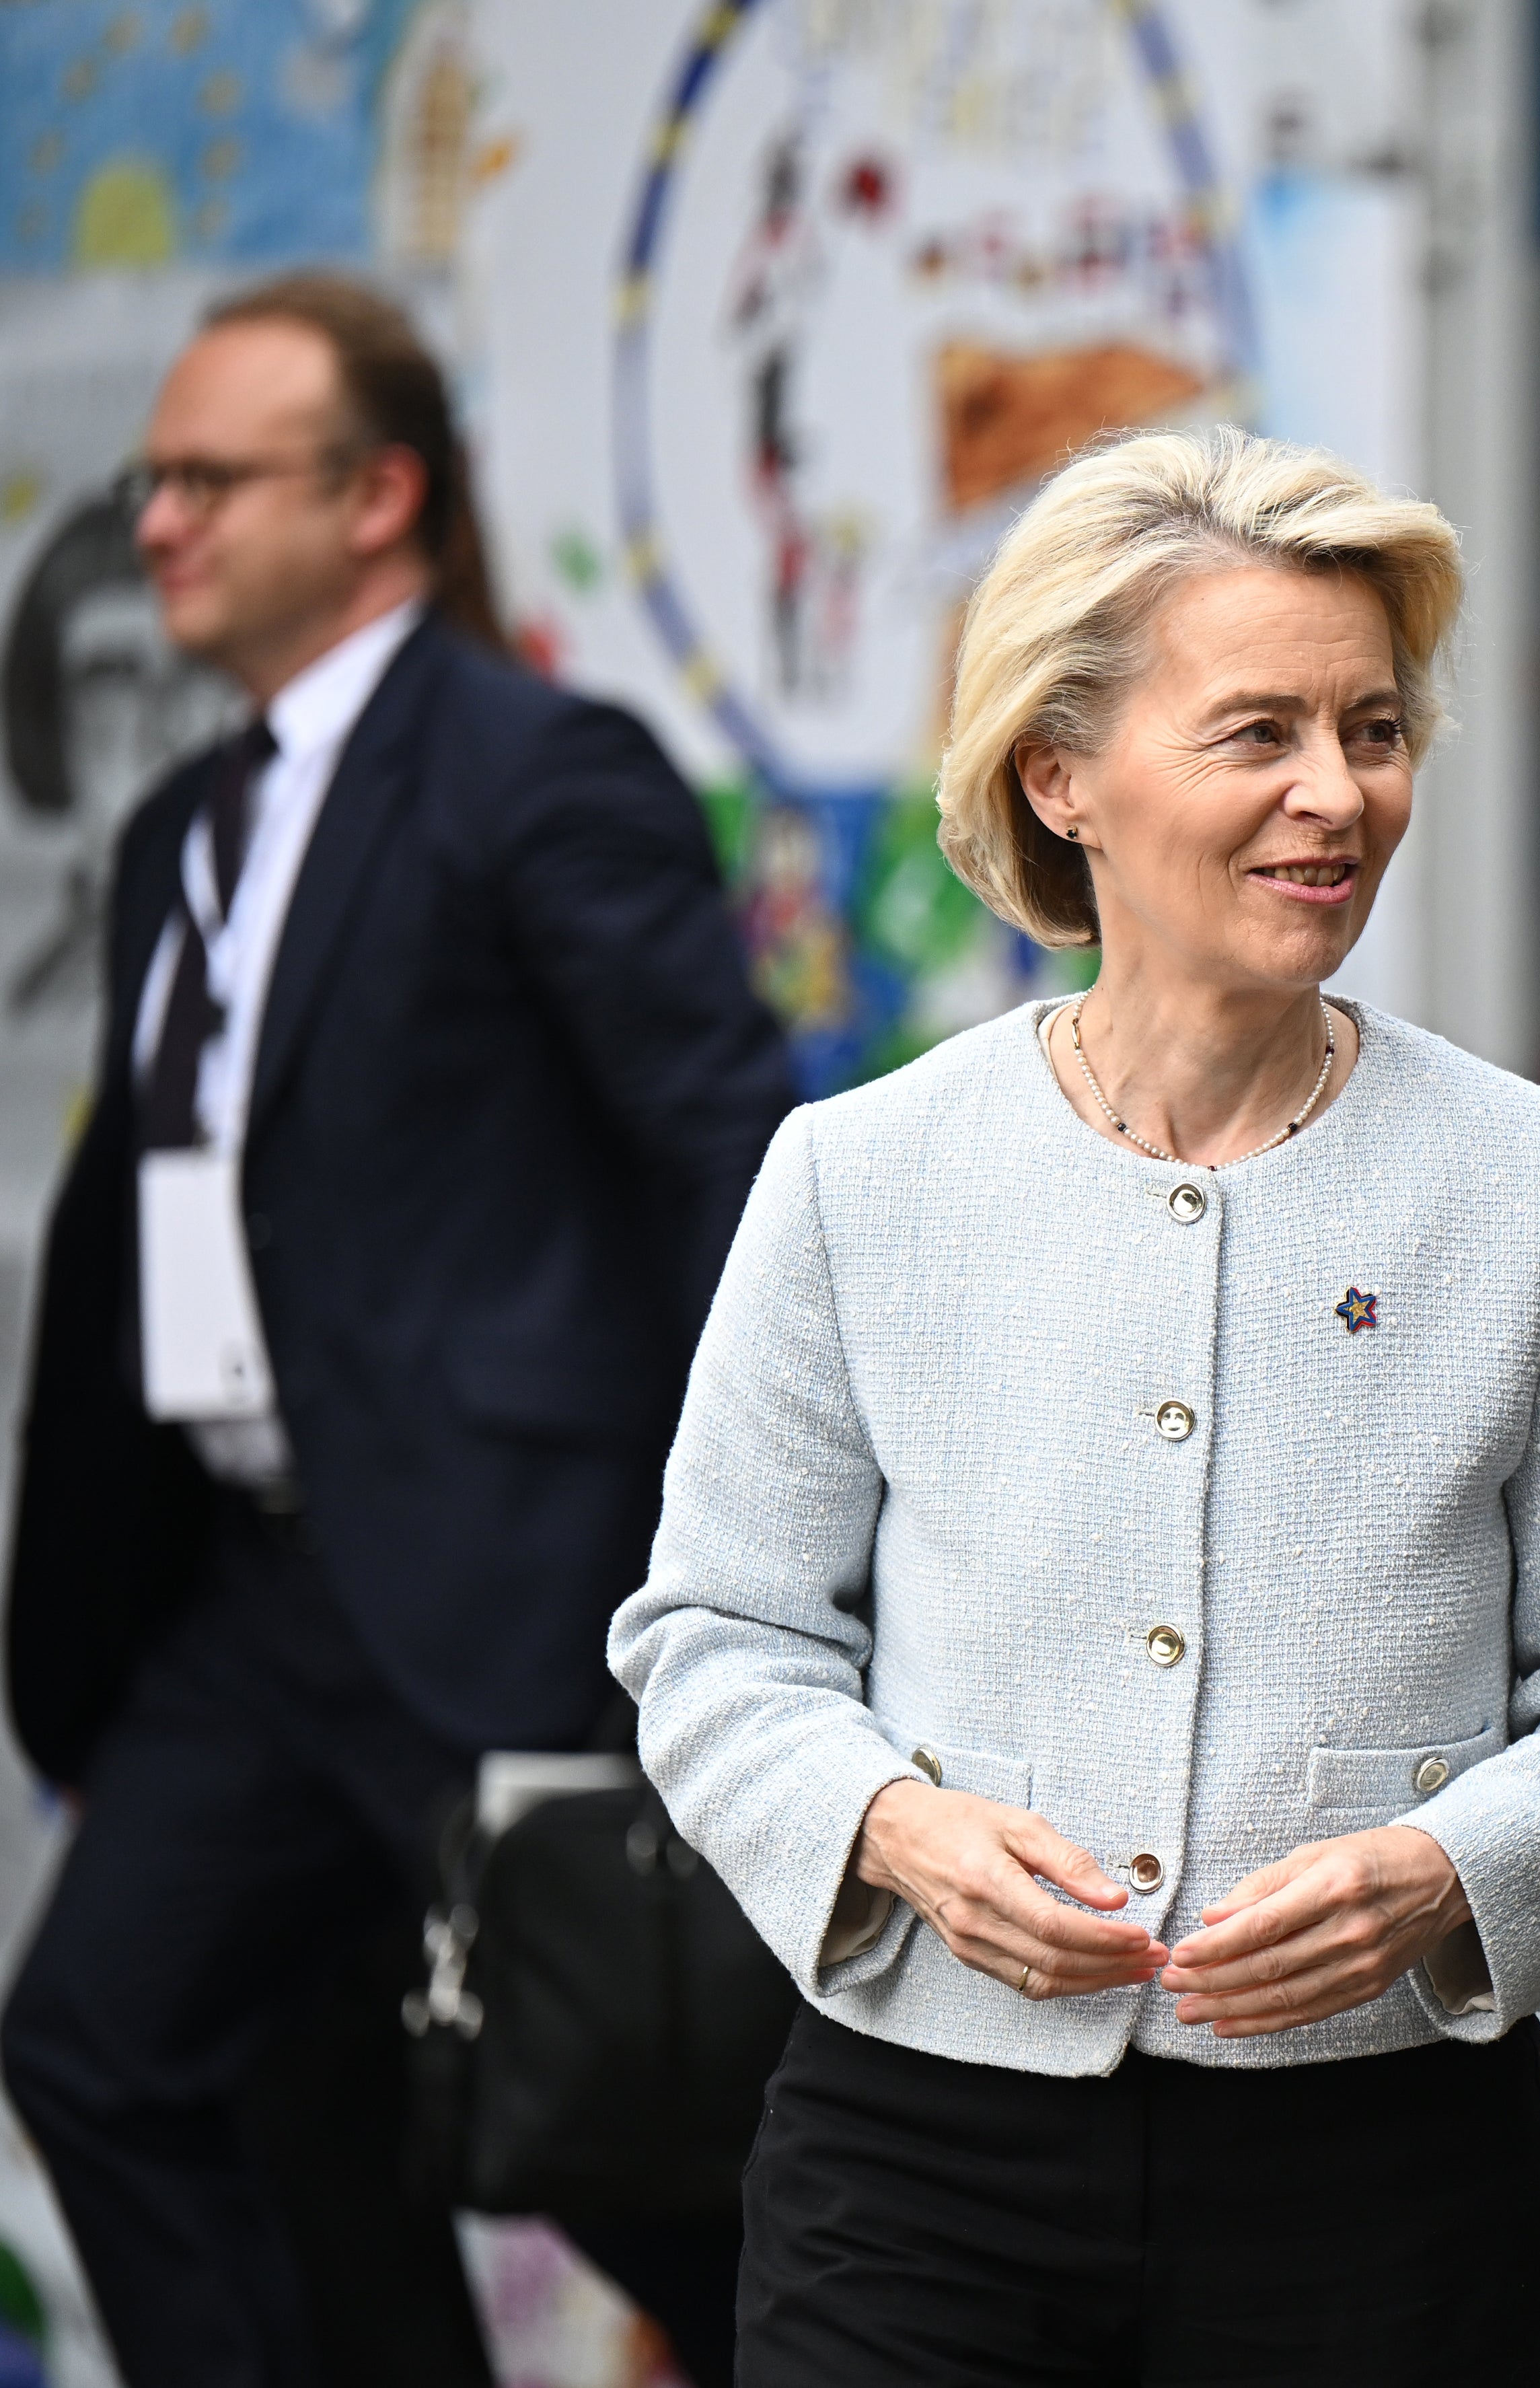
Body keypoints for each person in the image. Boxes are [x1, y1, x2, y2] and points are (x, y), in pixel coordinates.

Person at [611, 425, 1540, 2383]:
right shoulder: (858, 1173)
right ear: (1062, 773)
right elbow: (716, 1635)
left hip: (1379, 2177)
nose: (1337, 795)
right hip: (913, 2162)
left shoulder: (1539, 1186)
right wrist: (891, 1826)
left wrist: (1451, 1871)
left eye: (1371, 729)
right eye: (1258, 733)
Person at [0, 274, 795, 2386]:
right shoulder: (189, 828)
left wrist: (739, 1560)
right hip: (247, 1602)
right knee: (116, 2046)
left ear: (379, 500)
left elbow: (725, 1155)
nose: (155, 521)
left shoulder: (538, 770)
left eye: (205, 478)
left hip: (500, 1588)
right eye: (146, 477)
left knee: (635, 2147)